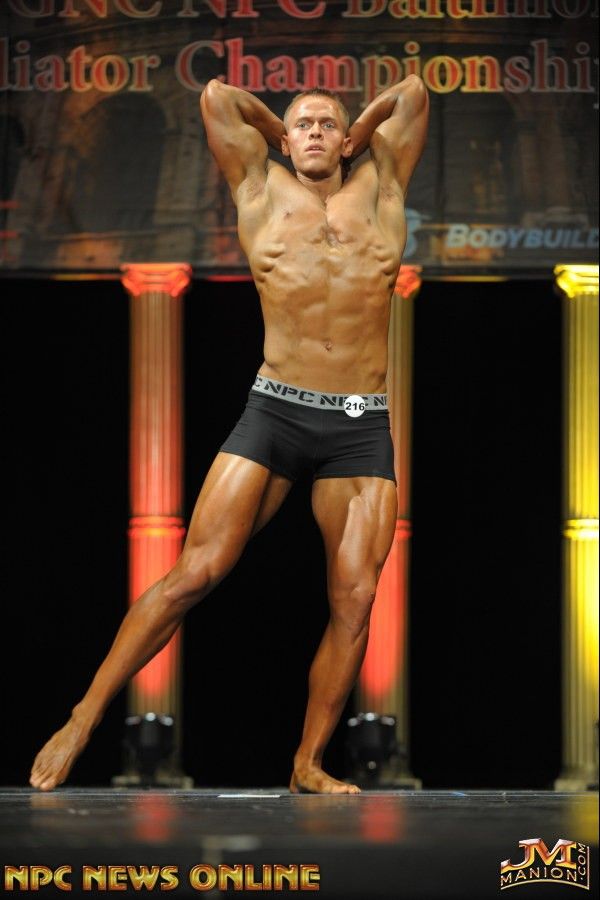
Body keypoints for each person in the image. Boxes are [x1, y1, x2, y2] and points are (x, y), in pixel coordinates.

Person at [30, 74, 429, 795]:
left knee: (356, 600)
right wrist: (280, 129)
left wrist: (358, 132)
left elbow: (414, 92)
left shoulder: (383, 185)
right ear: (283, 138)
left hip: (358, 422)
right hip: (276, 412)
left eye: (326, 124)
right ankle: (82, 720)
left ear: (346, 139)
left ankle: (307, 763)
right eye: (301, 124)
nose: (313, 132)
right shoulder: (258, 187)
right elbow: (216, 95)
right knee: (194, 573)